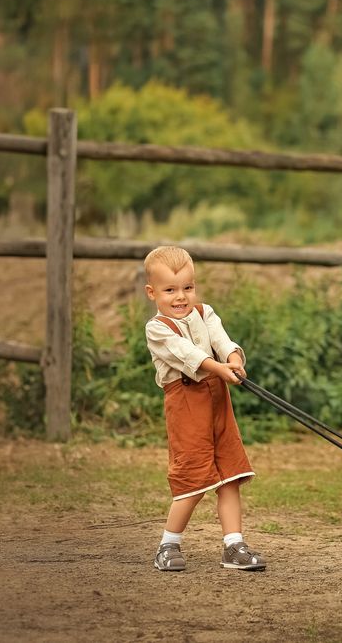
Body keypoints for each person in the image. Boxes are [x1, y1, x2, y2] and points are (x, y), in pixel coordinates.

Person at [143, 245, 265, 572]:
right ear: (152, 292)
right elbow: (185, 354)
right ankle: (168, 544)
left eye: (187, 287)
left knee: (230, 474)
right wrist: (218, 368)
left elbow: (221, 339)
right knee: (193, 478)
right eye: (170, 290)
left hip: (217, 401)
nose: (181, 296)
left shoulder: (204, 312)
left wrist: (234, 359)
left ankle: (233, 545)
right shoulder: (157, 329)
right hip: (186, 405)